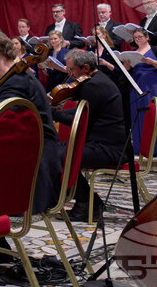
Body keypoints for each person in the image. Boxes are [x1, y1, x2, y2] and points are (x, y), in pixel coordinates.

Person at [0, 28, 61, 216]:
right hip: (35, 157)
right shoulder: (16, 78)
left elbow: (0, 126)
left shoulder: (16, 82)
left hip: (33, 170)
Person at [53, 50, 127, 221]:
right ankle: (87, 201)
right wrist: (55, 112)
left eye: (72, 70)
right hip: (98, 142)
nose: (70, 75)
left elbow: (80, 118)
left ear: (85, 67)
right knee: (53, 150)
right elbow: (81, 112)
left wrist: (53, 114)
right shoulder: (95, 80)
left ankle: (87, 203)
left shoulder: (95, 85)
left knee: (59, 156)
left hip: (109, 148)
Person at [121, 29, 157, 156]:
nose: (138, 40)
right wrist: (126, 67)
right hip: (137, 87)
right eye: (135, 38)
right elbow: (127, 74)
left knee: (155, 115)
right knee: (139, 116)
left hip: (154, 85)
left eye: (140, 37)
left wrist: (151, 62)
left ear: (147, 37)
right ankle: (141, 149)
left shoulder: (155, 50)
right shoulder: (132, 52)